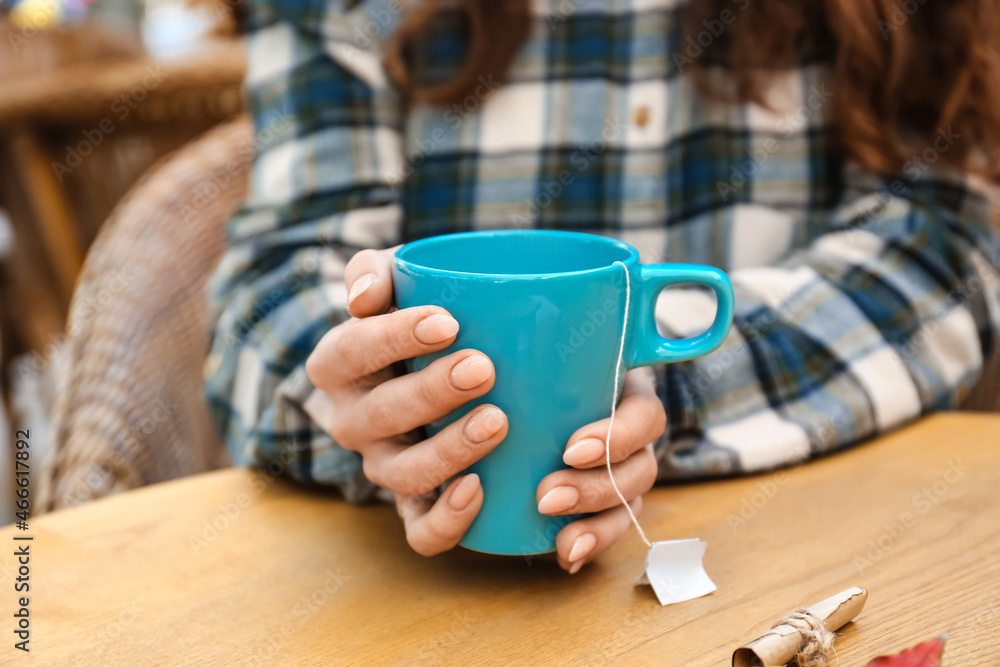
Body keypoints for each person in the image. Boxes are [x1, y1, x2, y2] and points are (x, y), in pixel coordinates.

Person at [205, 0, 1000, 573]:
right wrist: (372, 399)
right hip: (413, 579)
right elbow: (269, 291)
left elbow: (945, 251)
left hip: (801, 552)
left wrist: (648, 385)